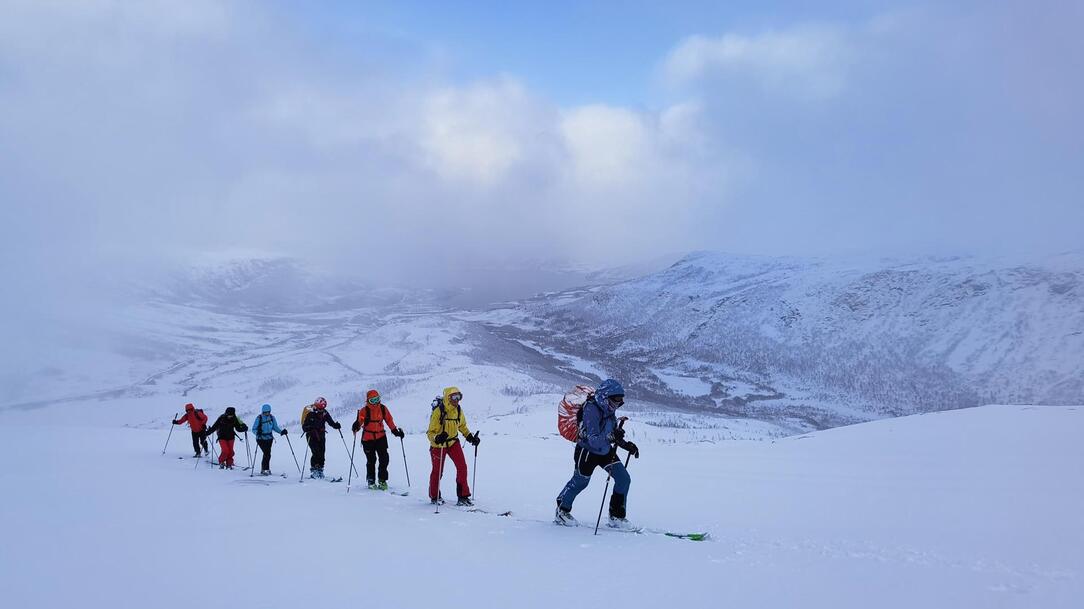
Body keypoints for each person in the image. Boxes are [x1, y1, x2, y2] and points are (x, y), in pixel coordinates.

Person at [554, 379, 639, 527]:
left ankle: (616, 517)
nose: (618, 403)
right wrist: (611, 437)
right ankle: (562, 511)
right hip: (587, 452)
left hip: (605, 451)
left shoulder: (609, 410)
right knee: (580, 482)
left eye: (620, 400)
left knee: (623, 479)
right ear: (605, 397)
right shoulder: (591, 409)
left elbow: (611, 432)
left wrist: (626, 445)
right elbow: (593, 439)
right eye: (616, 399)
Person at [426, 386, 480, 506]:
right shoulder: (438, 412)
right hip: (438, 445)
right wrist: (437, 438)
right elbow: (430, 433)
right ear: (447, 398)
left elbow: (462, 426)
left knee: (462, 467)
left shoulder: (458, 410)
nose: (457, 400)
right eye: (454, 397)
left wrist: (470, 437)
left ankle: (463, 496)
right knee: (437, 471)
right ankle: (434, 496)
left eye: (459, 397)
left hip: (453, 442)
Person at [350, 389, 405, 490]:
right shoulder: (364, 410)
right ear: (368, 401)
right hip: (368, 439)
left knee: (384, 459)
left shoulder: (383, 408)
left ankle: (382, 480)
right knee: (371, 460)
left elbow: (389, 420)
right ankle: (371, 481)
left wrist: (395, 431)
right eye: (373, 400)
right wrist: (356, 426)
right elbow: (360, 421)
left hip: (381, 437)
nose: (375, 402)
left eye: (377, 399)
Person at [300, 397, 341, 479]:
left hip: (321, 435)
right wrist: (308, 428)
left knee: (322, 453)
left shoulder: (325, 413)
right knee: (316, 452)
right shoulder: (310, 413)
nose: (321, 409)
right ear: (316, 406)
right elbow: (304, 426)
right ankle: (314, 470)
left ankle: (320, 470)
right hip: (311, 435)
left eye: (323, 407)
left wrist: (335, 425)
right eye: (320, 408)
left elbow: (330, 422)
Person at [251, 403, 287, 475]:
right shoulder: (259, 418)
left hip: (269, 438)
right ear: (263, 411)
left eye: (268, 412)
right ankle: (265, 469)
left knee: (267, 454)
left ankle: (265, 469)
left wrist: (281, 432)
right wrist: (258, 433)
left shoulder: (272, 417)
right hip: (260, 439)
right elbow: (253, 429)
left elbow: (275, 427)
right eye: (265, 412)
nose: (267, 413)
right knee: (267, 453)